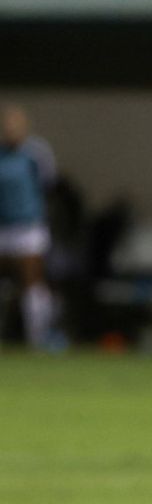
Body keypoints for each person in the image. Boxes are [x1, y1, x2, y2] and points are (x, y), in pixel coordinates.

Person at [0, 103, 58, 349]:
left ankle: (38, 337)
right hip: (3, 226)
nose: (11, 129)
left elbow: (48, 182)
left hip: (29, 226)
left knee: (32, 281)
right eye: (7, 125)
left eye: (16, 124)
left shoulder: (36, 153)